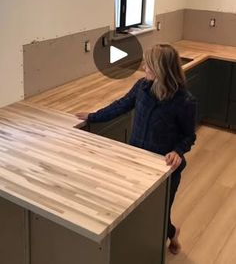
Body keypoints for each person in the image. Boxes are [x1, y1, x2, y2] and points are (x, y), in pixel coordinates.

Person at [76, 43, 197, 254]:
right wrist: (93, 117)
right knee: (137, 211)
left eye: (148, 65)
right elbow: (120, 105)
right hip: (135, 161)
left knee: (159, 211)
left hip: (164, 168)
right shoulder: (142, 87)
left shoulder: (184, 101)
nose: (144, 68)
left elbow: (189, 135)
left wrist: (178, 151)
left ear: (162, 70)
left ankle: (170, 234)